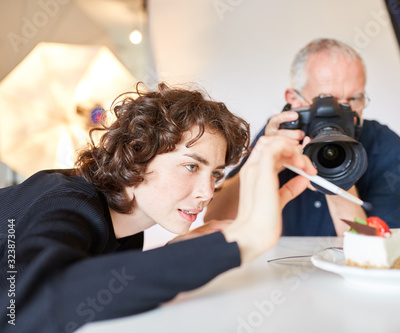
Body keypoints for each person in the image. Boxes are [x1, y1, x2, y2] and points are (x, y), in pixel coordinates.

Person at [0, 82, 315, 332]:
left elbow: (99, 298)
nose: (207, 193)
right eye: (192, 167)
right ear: (138, 154)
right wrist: (243, 239)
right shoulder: (63, 200)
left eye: (216, 174)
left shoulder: (124, 235)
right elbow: (23, 310)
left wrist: (179, 253)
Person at [205, 38, 400, 236]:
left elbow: (379, 248)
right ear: (294, 100)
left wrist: (337, 173)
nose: (346, 110)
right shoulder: (280, 134)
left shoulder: (385, 146)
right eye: (329, 101)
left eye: (355, 98)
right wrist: (265, 163)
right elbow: (215, 218)